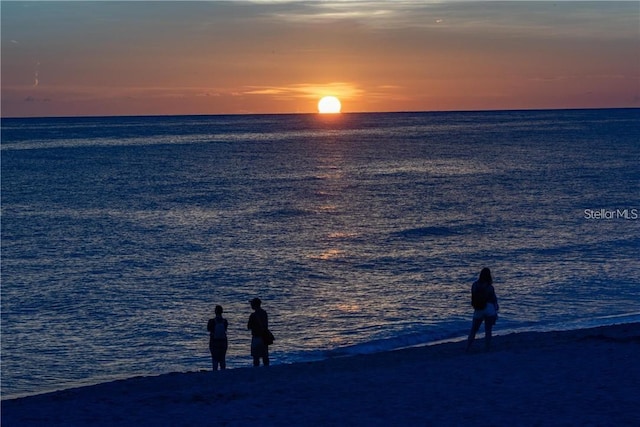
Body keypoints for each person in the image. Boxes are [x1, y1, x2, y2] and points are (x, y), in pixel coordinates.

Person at [466, 267, 499, 352]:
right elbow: (494, 299)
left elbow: (473, 297)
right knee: (488, 330)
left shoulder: (475, 285)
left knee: (474, 329)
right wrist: (496, 310)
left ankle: (468, 347)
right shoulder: (490, 287)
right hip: (489, 308)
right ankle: (487, 348)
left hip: (478, 308)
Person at [247, 297, 270, 367]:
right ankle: (266, 370)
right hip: (264, 337)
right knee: (265, 356)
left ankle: (257, 370)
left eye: (252, 304)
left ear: (255, 305)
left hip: (256, 337)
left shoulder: (253, 315)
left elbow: (249, 327)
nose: (251, 305)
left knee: (256, 357)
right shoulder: (264, 313)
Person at [207, 305, 229, 370]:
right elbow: (225, 329)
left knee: (215, 359)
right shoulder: (225, 321)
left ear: (215, 312)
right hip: (223, 341)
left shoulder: (211, 321)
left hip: (214, 342)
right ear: (222, 312)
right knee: (222, 358)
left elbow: (209, 329)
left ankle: (215, 371)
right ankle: (223, 371)